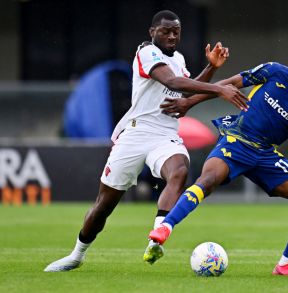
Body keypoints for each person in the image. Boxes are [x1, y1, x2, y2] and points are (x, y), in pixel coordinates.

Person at [44, 10, 248, 272]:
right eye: (166, 31)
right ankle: (76, 255)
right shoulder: (146, 52)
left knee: (179, 171)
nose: (172, 35)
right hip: (136, 133)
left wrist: (211, 68)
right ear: (152, 32)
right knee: (104, 205)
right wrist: (220, 88)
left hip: (165, 134)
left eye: (176, 31)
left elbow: (186, 86)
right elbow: (172, 81)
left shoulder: (180, 58)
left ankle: (157, 238)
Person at [148, 47, 288, 277]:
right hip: (237, 140)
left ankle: (285, 264)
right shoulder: (274, 71)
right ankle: (165, 227)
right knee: (208, 179)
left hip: (265, 154)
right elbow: (230, 83)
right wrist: (189, 103)